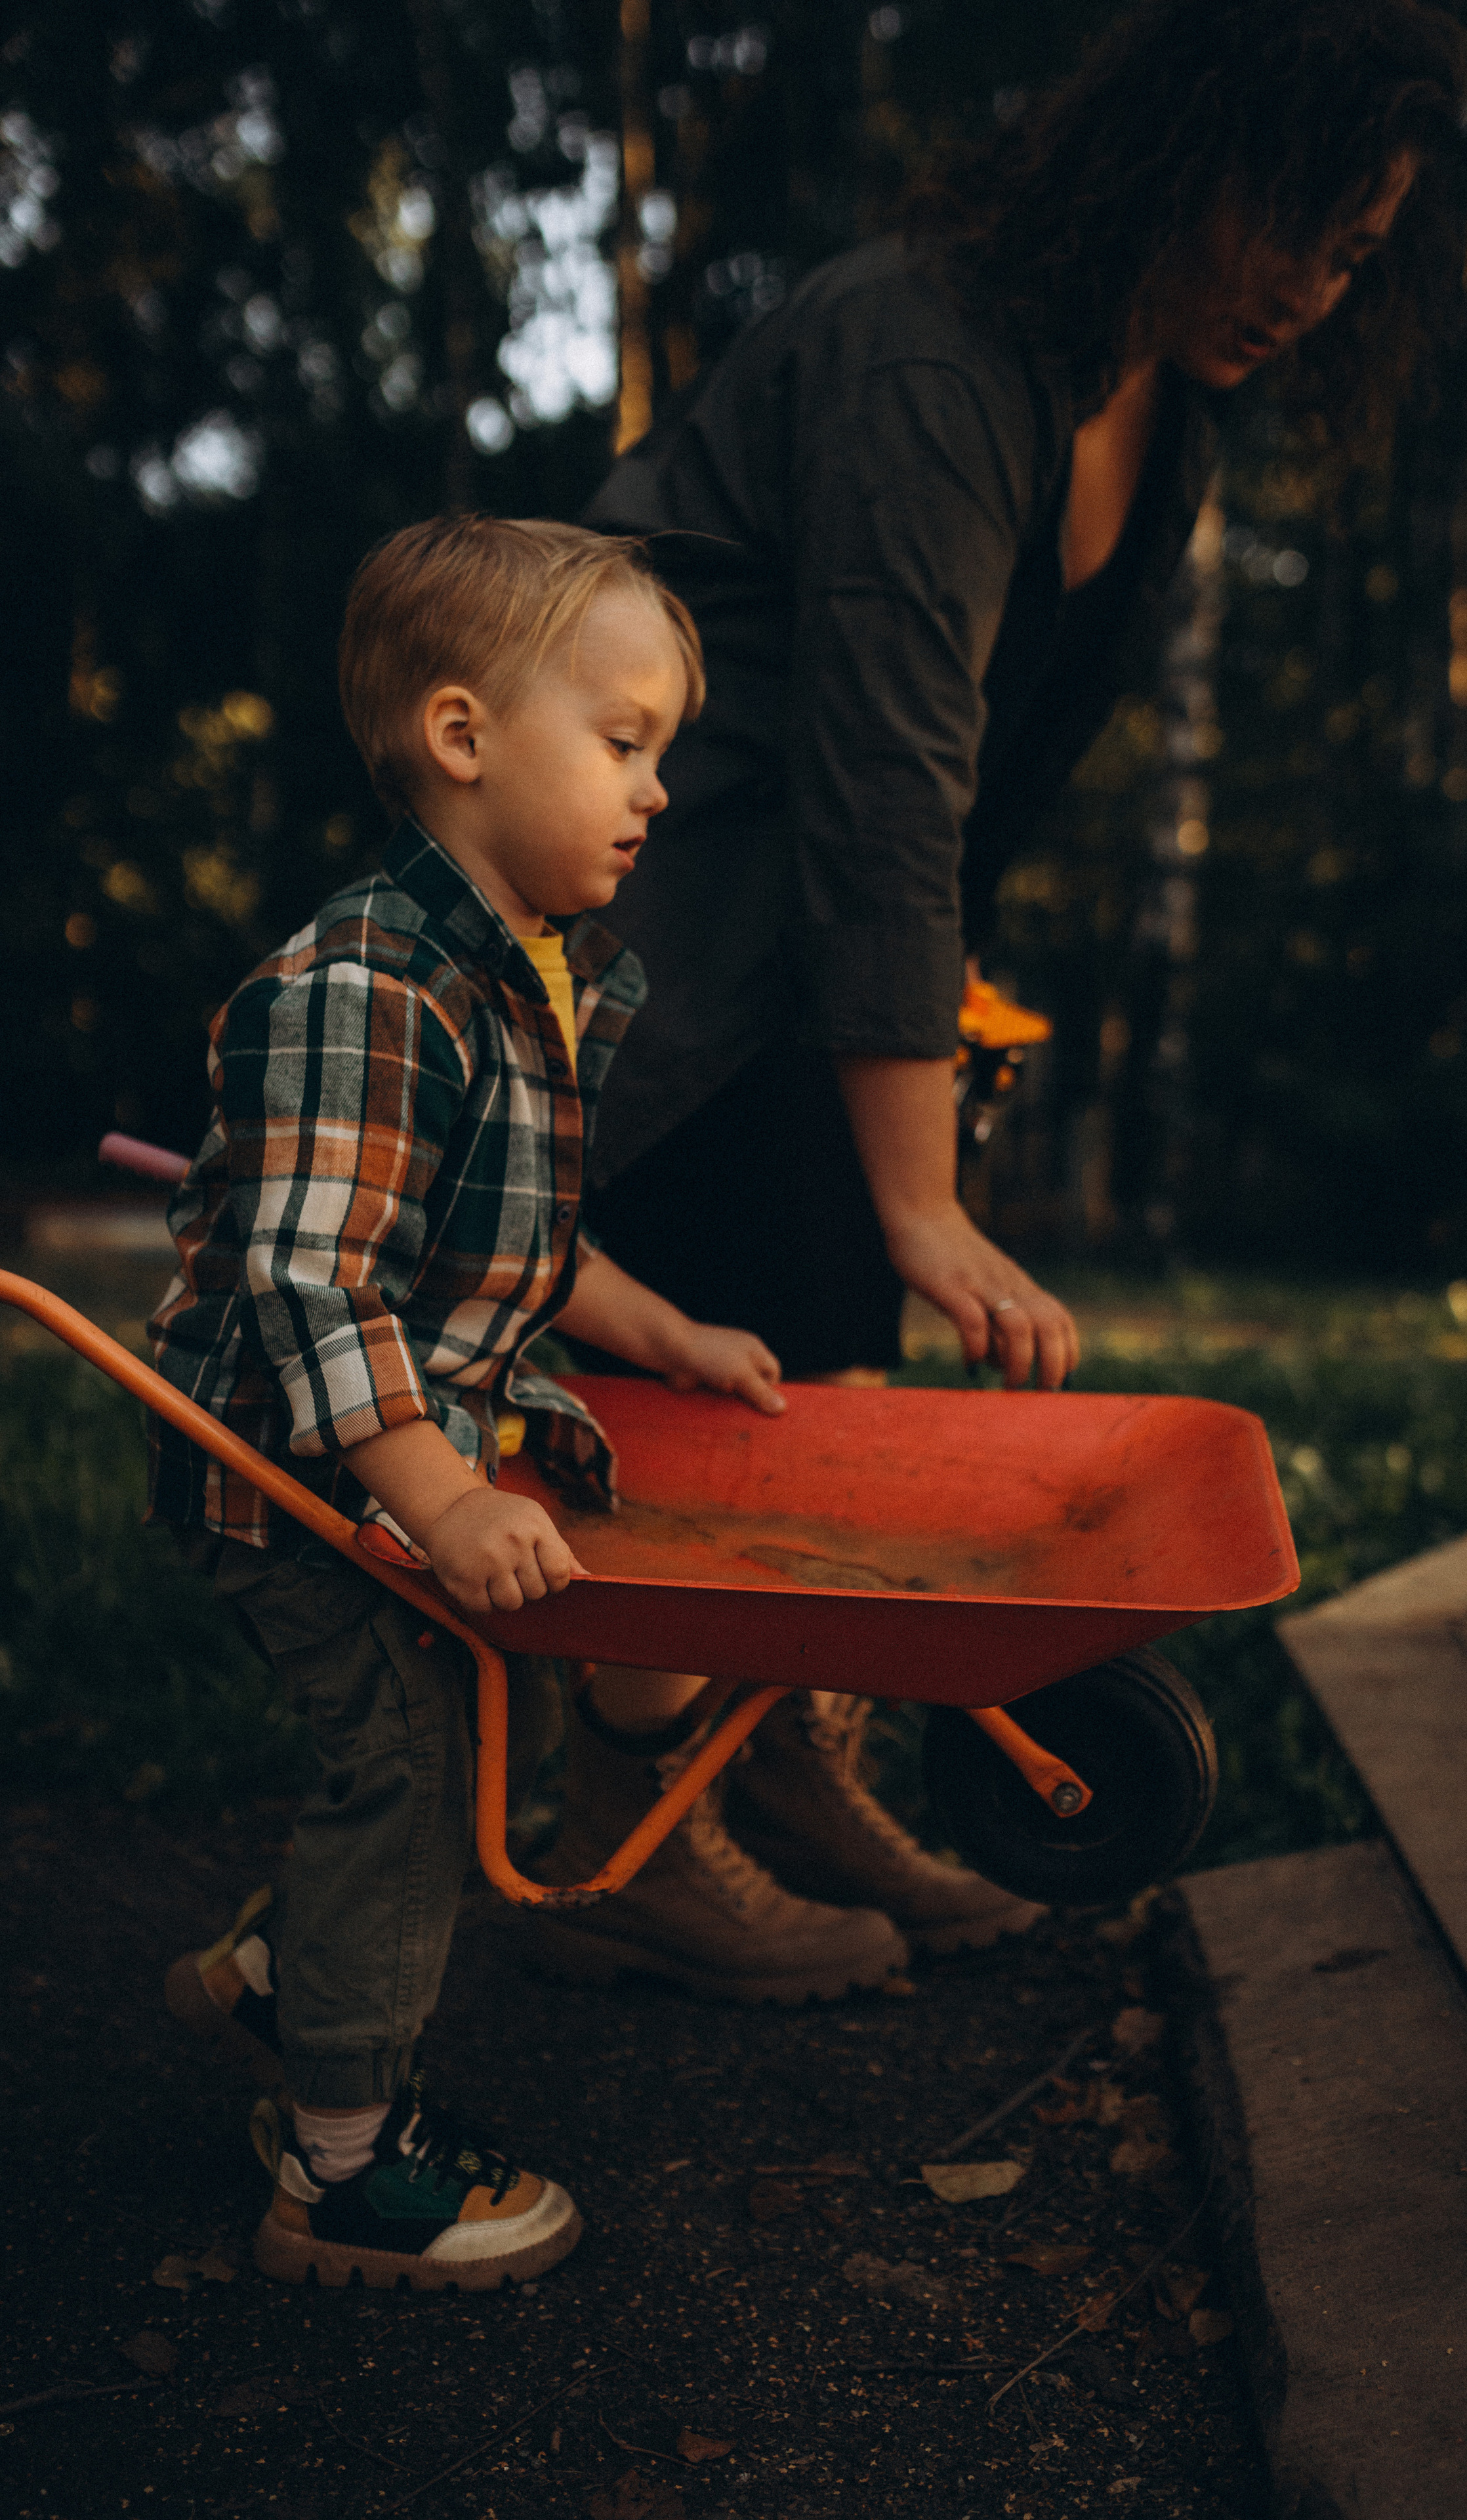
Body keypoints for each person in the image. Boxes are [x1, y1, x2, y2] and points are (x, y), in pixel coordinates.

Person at [523, 0, 1467, 1983]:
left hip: (800, 930)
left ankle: (767, 1772)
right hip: (637, 923)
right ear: (1180, 150)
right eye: (1290, 218)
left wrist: (931, 1042)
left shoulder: (1161, 407)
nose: (1309, 282)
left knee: (821, 1348)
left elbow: (978, 784)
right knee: (739, 1340)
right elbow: (886, 775)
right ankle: (624, 1818)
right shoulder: (925, 351)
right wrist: (926, 1187)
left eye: (1355, 251)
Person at [151, 514, 930, 2291]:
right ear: (460, 735)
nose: (659, 790)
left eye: (665, 749)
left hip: (397, 1455)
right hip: (296, 1474)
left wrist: (664, 1332)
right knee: (415, 1770)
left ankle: (295, 1974)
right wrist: (437, 1495)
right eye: (627, 739)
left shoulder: (522, 980)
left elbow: (528, 1239)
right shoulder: (361, 990)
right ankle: (344, 2174)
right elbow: (310, 1284)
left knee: (455, 1744)